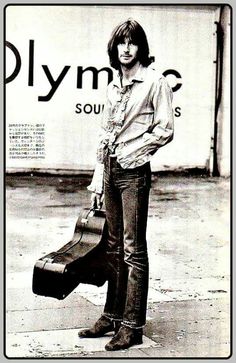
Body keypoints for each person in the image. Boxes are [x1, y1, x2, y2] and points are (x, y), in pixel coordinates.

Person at [78, 18, 174, 351]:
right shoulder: (113, 84)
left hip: (134, 173)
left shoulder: (154, 83)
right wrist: (98, 176)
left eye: (132, 42)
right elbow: (105, 135)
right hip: (111, 169)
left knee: (134, 251)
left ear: (140, 48)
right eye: (121, 42)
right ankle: (111, 316)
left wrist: (134, 149)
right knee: (113, 247)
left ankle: (132, 325)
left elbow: (165, 129)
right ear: (114, 47)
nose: (126, 48)